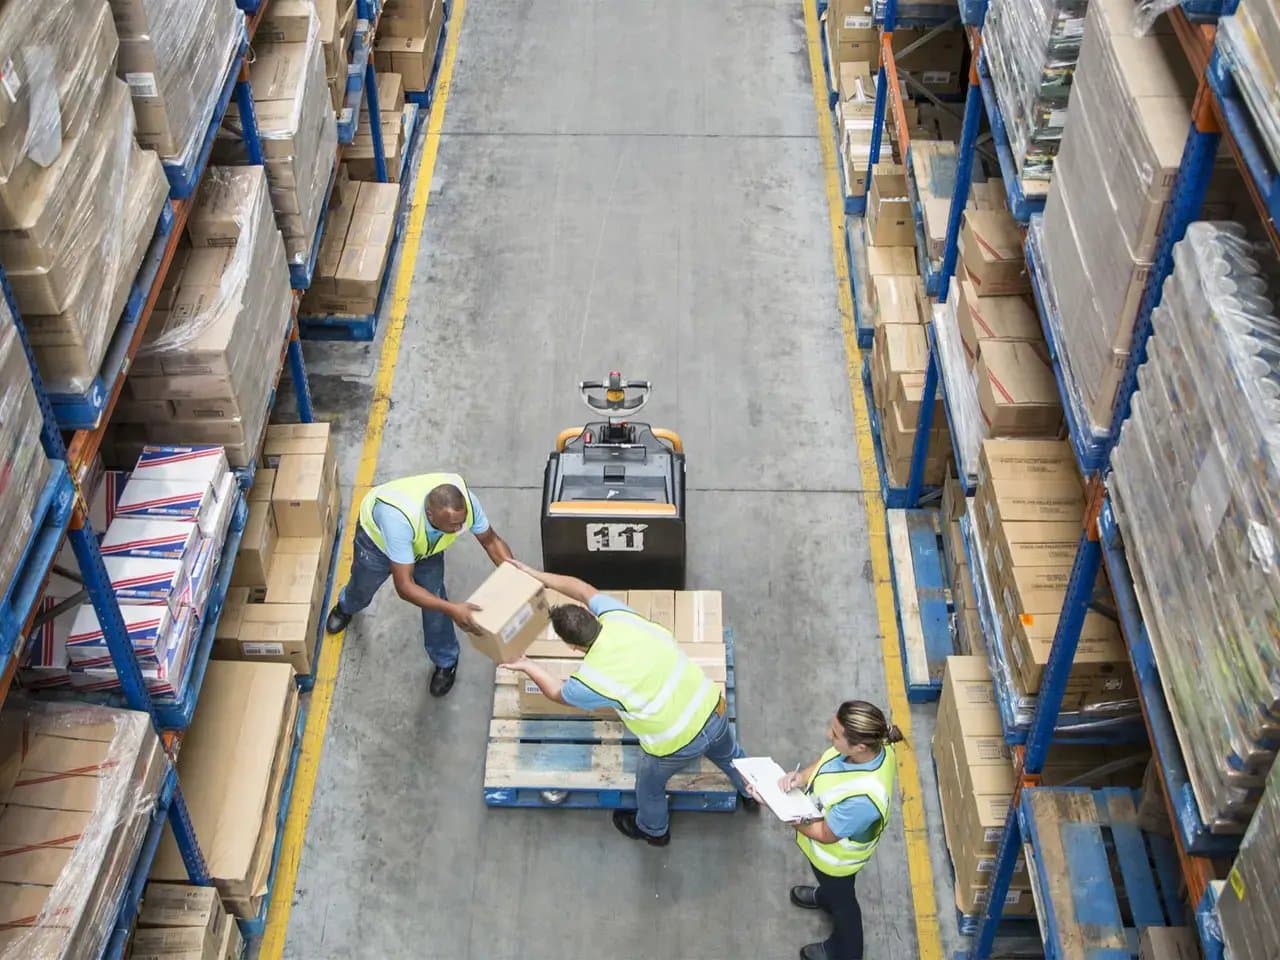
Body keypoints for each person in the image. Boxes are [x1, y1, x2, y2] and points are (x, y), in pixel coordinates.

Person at [503, 562, 758, 844]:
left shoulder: (590, 680)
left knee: (649, 784)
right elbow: (581, 588)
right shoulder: (619, 616)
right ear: (592, 615)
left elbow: (555, 693)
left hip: (678, 744)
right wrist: (537, 575)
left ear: (573, 647)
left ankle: (654, 830)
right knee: (731, 754)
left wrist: (526, 664)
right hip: (713, 709)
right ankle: (751, 793)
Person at [324, 472, 513, 697]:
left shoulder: (466, 505)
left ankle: (445, 660)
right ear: (430, 514)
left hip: (425, 546)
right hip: (378, 545)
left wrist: (517, 578)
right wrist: (454, 610)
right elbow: (404, 586)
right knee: (362, 586)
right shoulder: (398, 521)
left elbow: (491, 541)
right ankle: (346, 606)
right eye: (453, 525)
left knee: (434, 598)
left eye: (461, 523)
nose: (460, 528)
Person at [779, 701, 902, 960]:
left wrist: (784, 811)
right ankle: (826, 895)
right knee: (834, 891)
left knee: (844, 904)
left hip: (835, 862)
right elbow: (827, 761)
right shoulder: (872, 748)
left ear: (859, 747)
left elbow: (825, 834)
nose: (828, 735)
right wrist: (801, 778)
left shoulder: (862, 801)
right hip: (828, 858)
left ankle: (845, 950)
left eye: (835, 734)